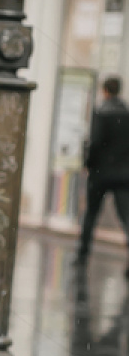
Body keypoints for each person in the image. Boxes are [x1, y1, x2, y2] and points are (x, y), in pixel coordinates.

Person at [77, 75, 129, 269]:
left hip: (101, 173)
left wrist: (88, 164)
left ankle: (83, 255)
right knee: (126, 218)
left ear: (105, 91)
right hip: (124, 175)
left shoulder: (101, 113)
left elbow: (95, 143)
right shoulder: (127, 114)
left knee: (91, 214)